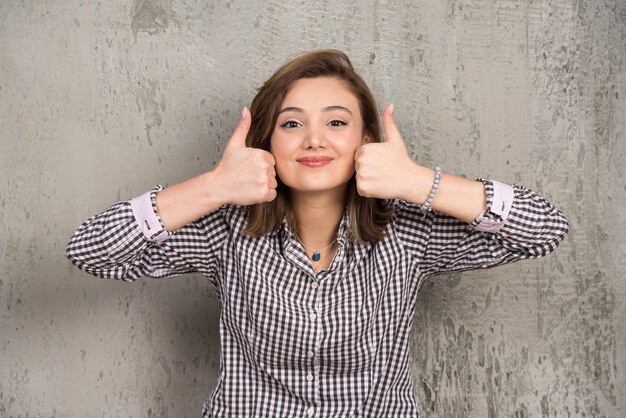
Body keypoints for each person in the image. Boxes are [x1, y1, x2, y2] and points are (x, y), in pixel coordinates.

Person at [66, 49, 569, 417]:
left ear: (366, 142)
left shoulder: (408, 233)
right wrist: (211, 187)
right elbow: (89, 249)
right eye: (291, 124)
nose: (313, 140)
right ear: (267, 142)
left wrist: (419, 182)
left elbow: (544, 228)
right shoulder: (226, 231)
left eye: (336, 122)